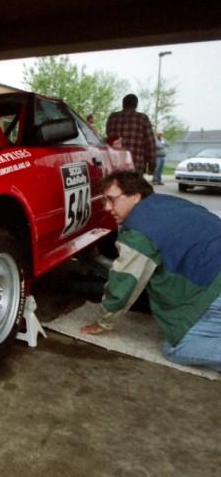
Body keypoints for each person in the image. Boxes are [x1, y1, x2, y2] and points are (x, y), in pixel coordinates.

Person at [81, 170, 221, 370]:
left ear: (136, 197)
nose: (107, 207)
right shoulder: (166, 203)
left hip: (215, 288)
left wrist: (103, 321)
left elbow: (124, 283)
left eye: (112, 200)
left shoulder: (139, 229)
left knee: (177, 348)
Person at [106, 94, 155, 176]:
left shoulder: (112, 117)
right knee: (135, 188)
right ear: (136, 105)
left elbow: (109, 136)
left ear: (123, 104)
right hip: (136, 164)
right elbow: (150, 142)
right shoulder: (142, 118)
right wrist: (151, 162)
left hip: (115, 164)